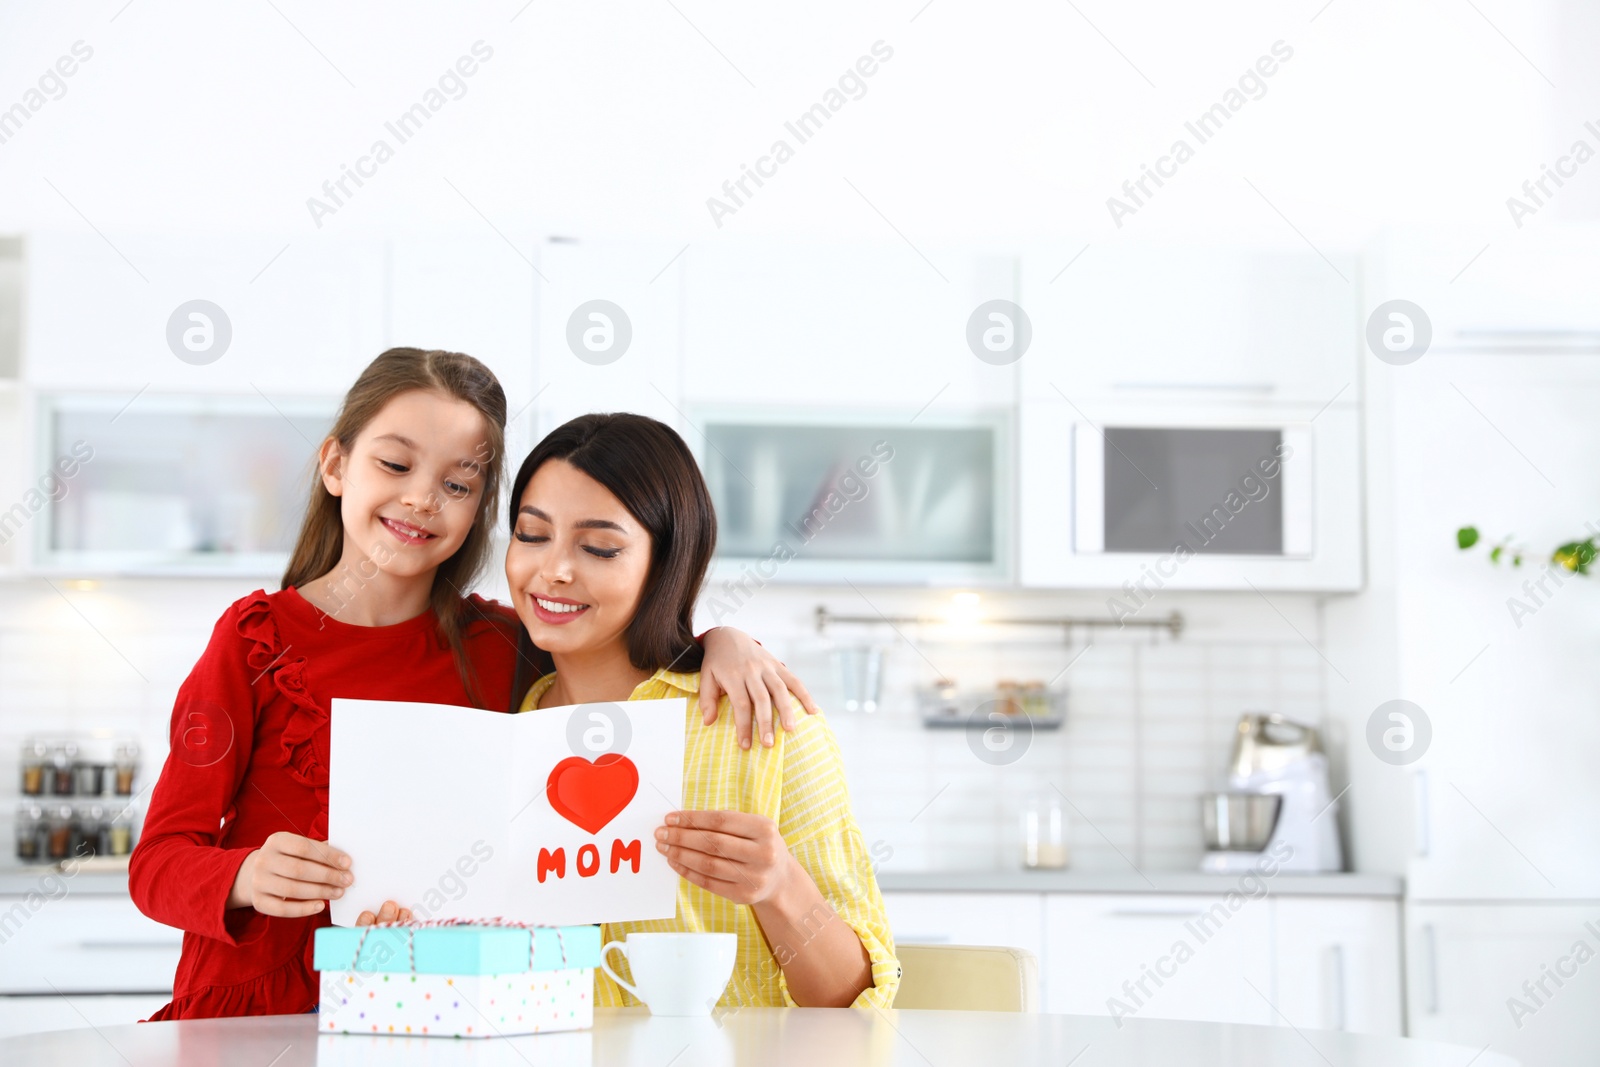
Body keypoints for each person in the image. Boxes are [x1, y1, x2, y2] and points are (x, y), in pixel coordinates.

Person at [129, 350, 812, 1019]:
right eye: (394, 463)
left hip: (431, 1007)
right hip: (253, 1011)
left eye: (459, 484)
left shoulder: (509, 644)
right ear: (336, 465)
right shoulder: (253, 642)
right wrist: (245, 875)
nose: (422, 498)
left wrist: (723, 641)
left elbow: (622, 642)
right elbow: (157, 861)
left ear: (483, 509)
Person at [501, 412, 899, 1007]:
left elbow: (855, 1005)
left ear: (666, 565)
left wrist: (781, 887)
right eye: (532, 535)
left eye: (599, 547)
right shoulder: (503, 721)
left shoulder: (764, 721)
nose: (553, 570)